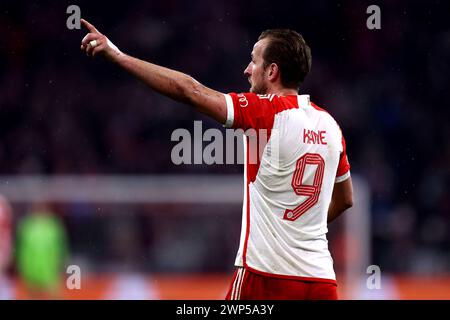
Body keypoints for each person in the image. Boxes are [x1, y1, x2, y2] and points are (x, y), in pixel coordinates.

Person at [80, 19, 353, 300]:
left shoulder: (264, 112)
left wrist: (117, 55)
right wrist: (299, 229)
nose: (247, 70)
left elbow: (190, 90)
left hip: (266, 277)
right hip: (322, 281)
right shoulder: (330, 126)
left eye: (254, 62)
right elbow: (345, 199)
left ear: (272, 71)